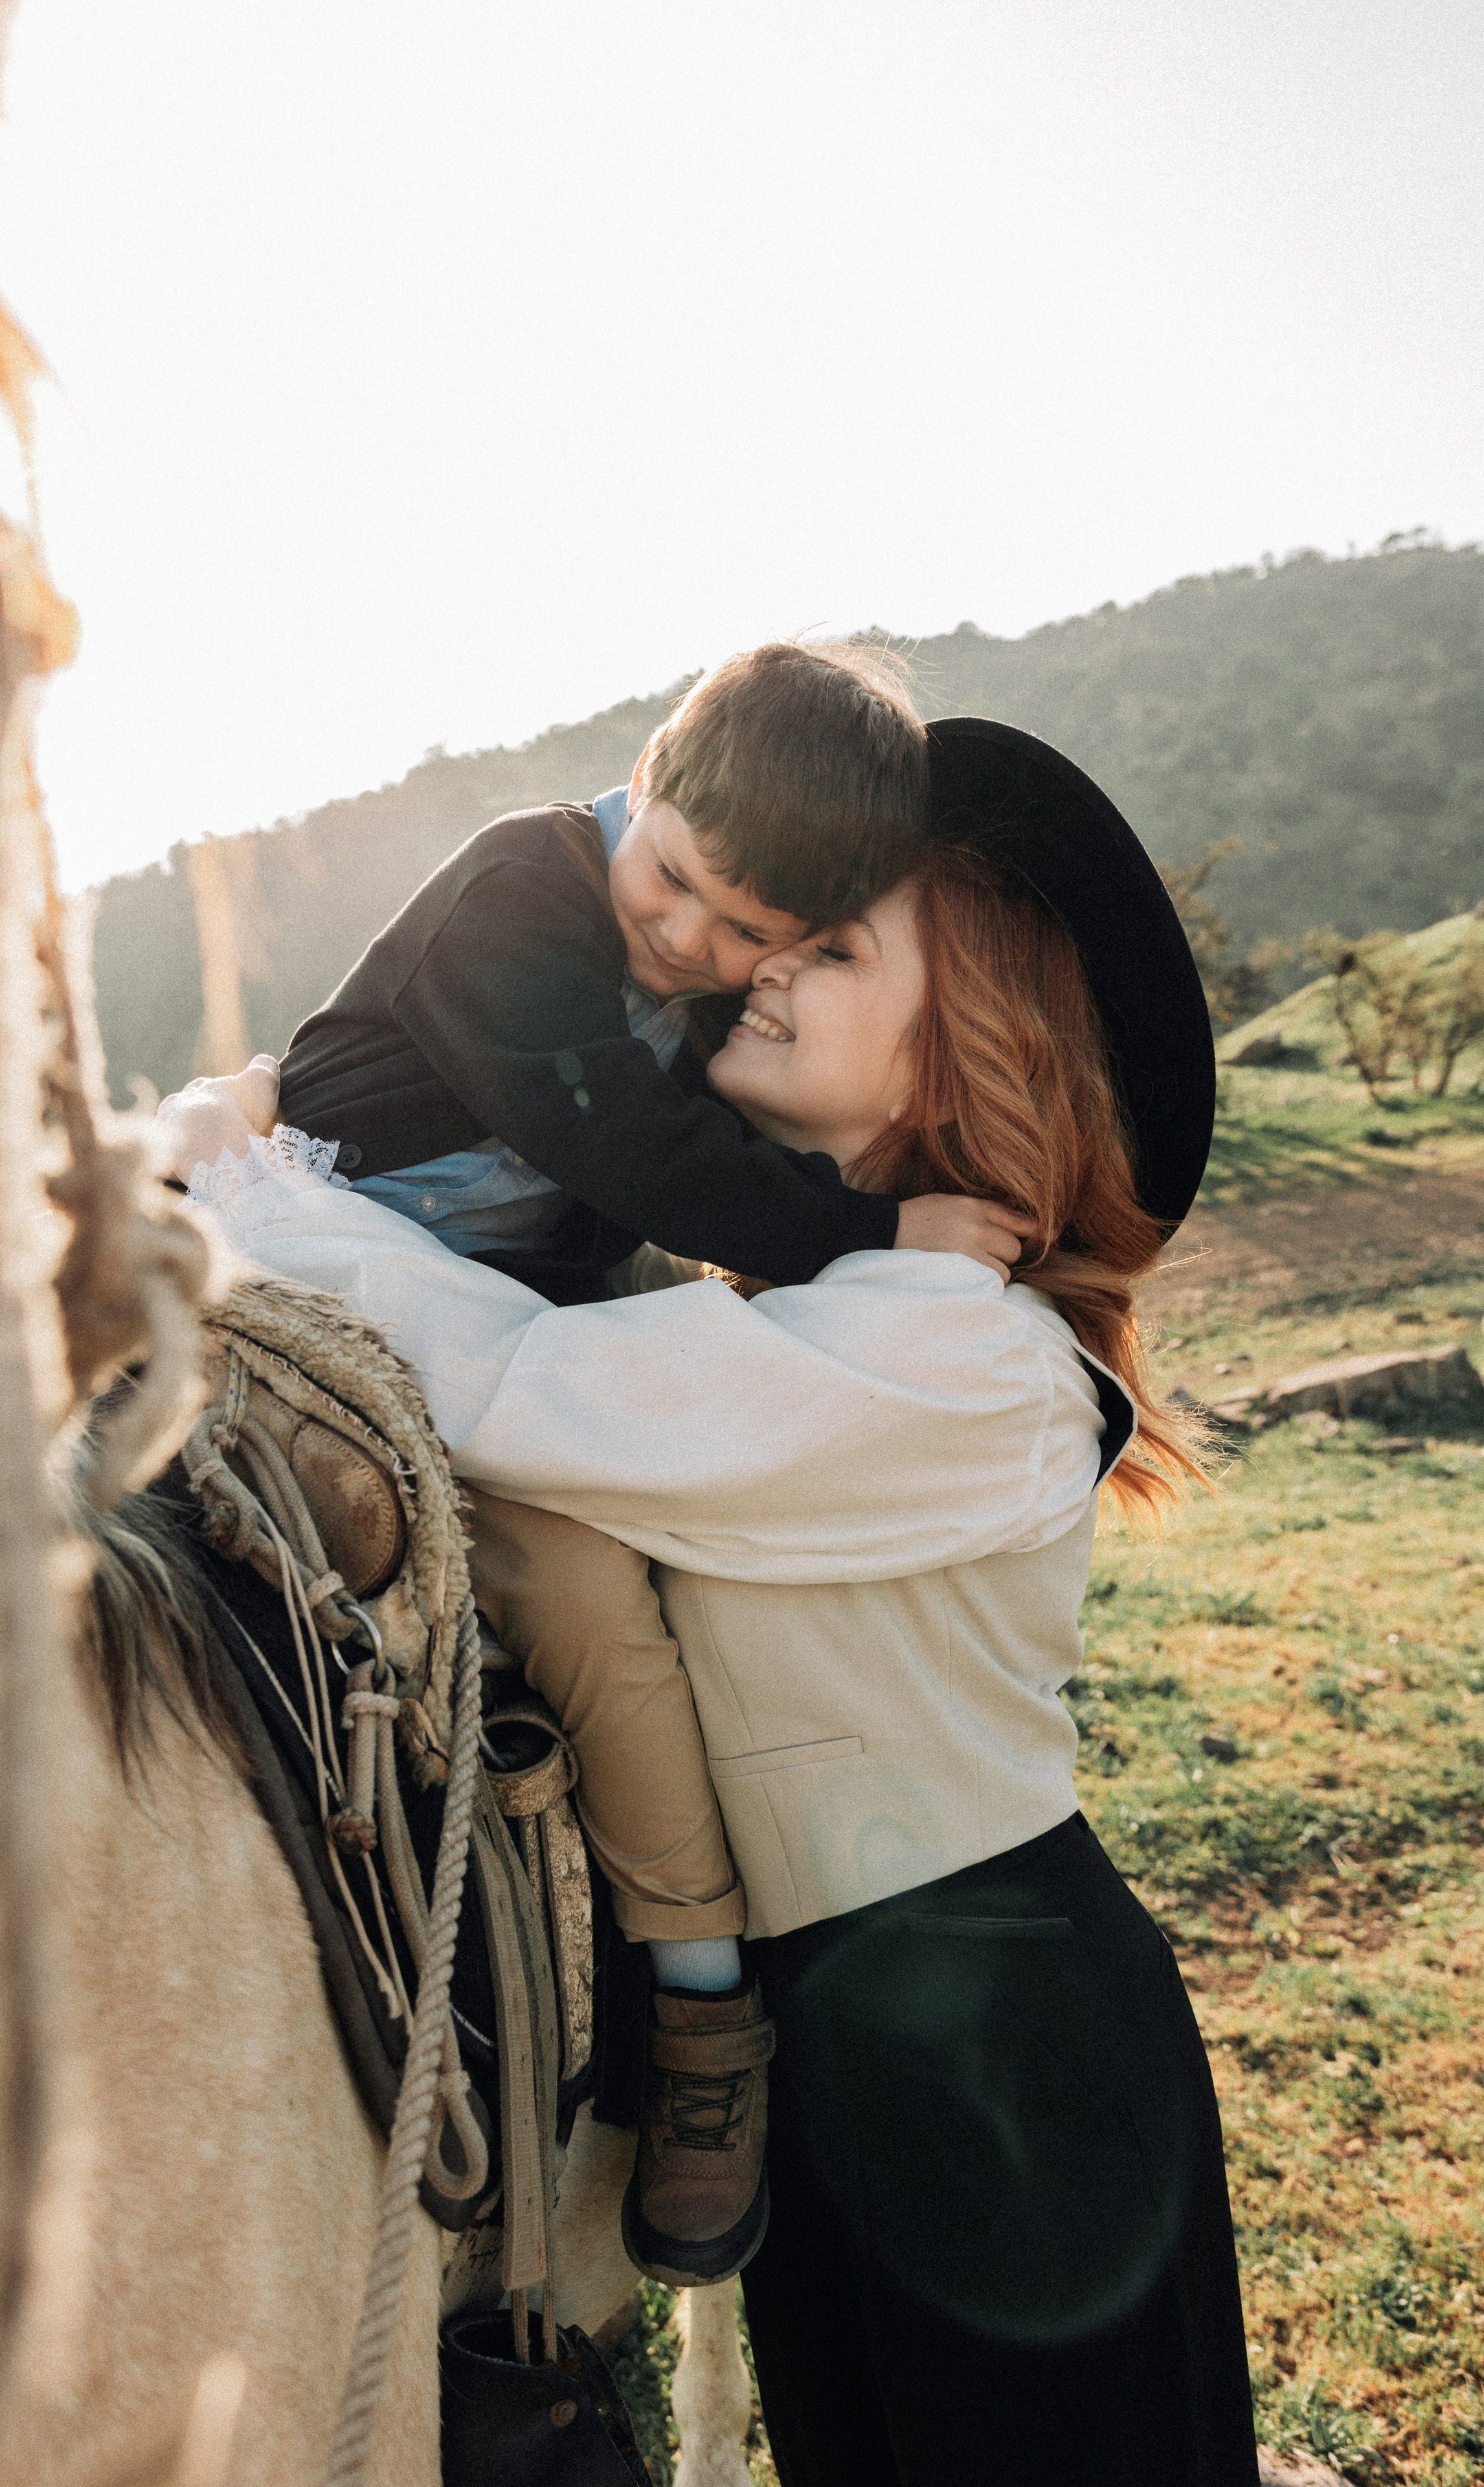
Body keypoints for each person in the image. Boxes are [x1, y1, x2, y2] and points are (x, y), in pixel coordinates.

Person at [163, 716, 1255, 2484]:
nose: (755, 967)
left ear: (956, 1062)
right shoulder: (796, 1304)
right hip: (864, 2043)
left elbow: (518, 1389)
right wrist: (275, 1108)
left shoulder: (964, 1356)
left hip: (1003, 2053)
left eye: (833, 953)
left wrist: (234, 1181)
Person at [173, 641, 1028, 2288]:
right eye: (679, 882)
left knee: (582, 1585)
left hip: (502, 1326)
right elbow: (625, 1143)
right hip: (325, 1271)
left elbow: (719, 1139)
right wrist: (874, 1229)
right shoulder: (521, 889)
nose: (691, 942)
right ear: (644, 774)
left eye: (750, 936)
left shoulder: (710, 965)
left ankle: (703, 2004)